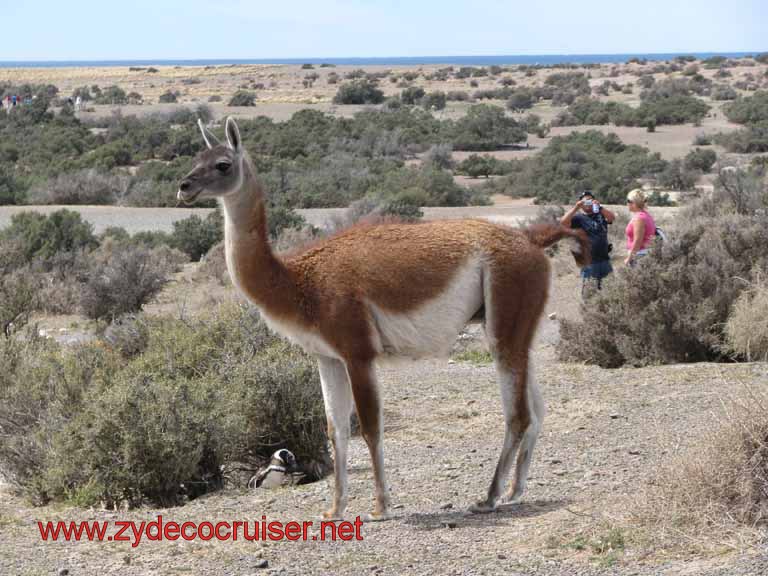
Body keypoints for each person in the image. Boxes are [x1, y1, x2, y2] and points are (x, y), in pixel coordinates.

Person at [561, 190, 616, 292]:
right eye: (585, 201)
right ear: (581, 204)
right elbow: (563, 223)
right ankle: (588, 309)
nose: (588, 203)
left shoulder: (600, 214)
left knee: (611, 291)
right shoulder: (578, 218)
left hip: (605, 260)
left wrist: (600, 207)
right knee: (589, 294)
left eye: (590, 200)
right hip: (590, 263)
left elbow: (612, 218)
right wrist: (576, 207)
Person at [624, 189, 657, 266]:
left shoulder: (639, 218)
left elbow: (637, 241)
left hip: (639, 257)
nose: (627, 203)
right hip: (643, 255)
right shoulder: (645, 215)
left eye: (628, 201)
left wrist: (629, 258)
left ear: (634, 203)